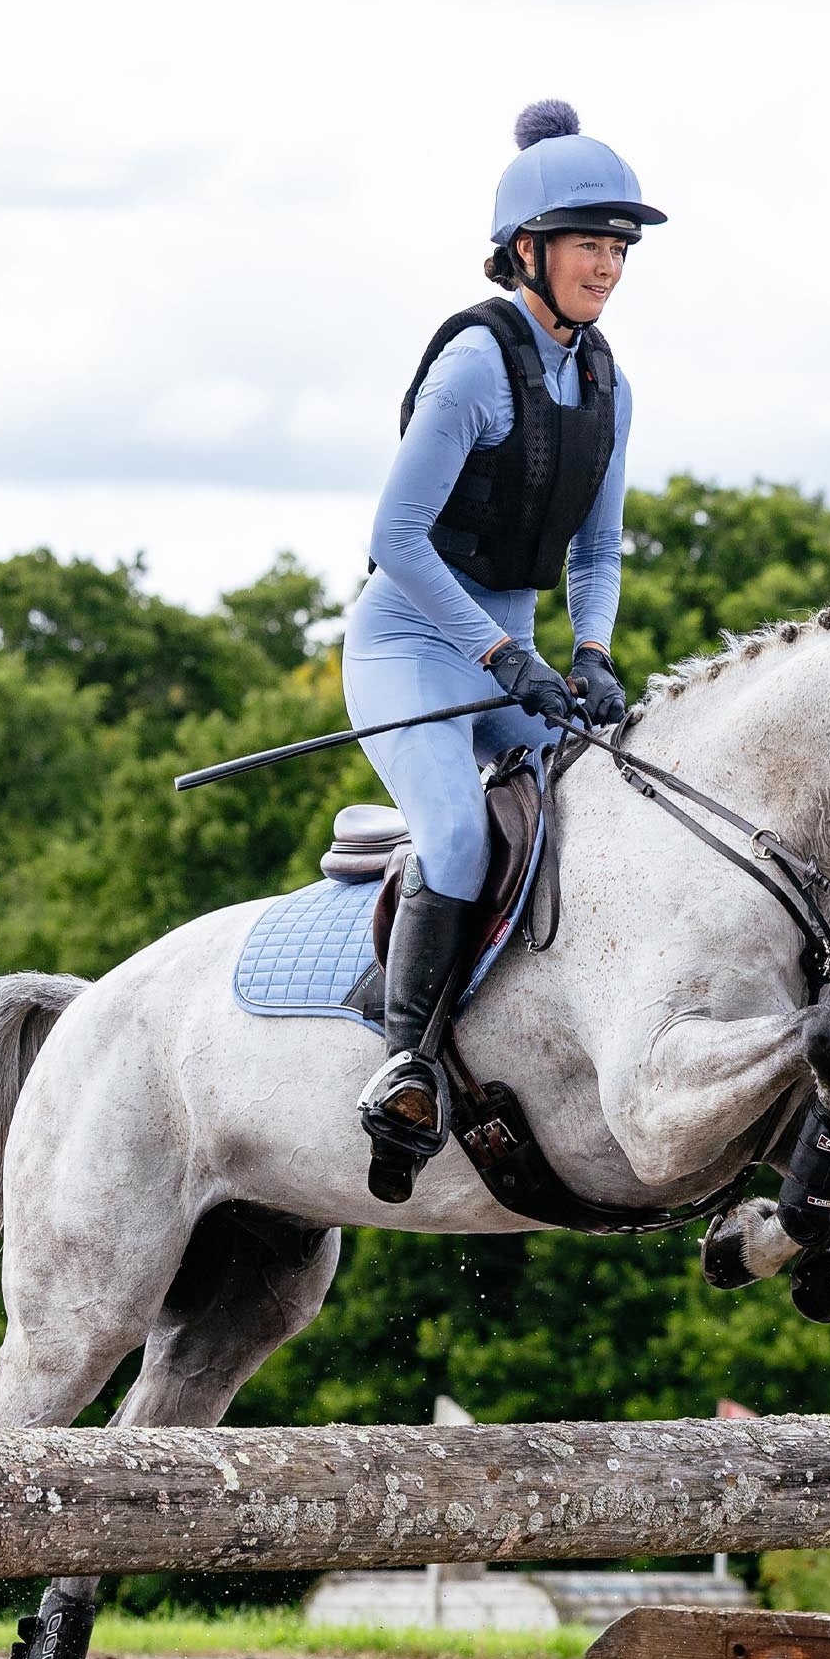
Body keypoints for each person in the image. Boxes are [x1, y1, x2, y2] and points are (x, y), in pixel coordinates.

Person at [345, 99, 664, 1201]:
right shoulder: (476, 366)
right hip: (411, 645)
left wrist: (594, 652)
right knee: (458, 838)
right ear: (527, 250)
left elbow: (600, 547)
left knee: (615, 801)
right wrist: (496, 655)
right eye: (591, 244)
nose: (609, 266)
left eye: (620, 249)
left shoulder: (606, 384)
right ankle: (407, 1071)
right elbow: (393, 538)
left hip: (509, 654)